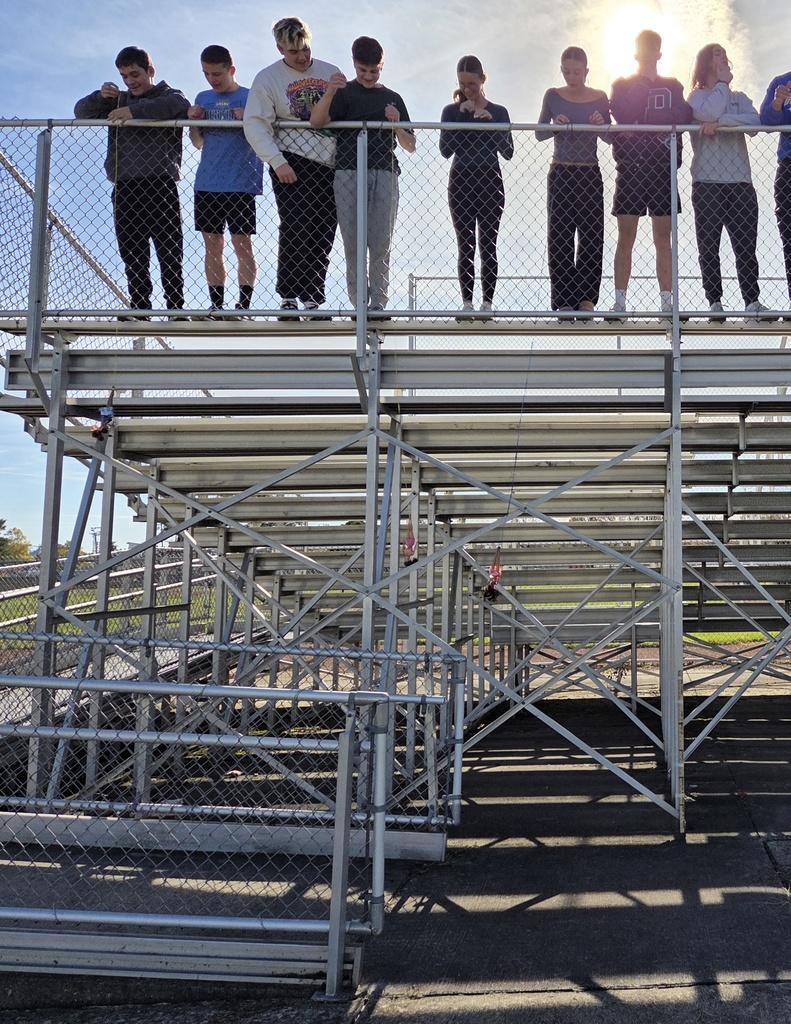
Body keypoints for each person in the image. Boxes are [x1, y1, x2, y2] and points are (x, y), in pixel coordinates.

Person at [74, 46, 190, 319]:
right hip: (125, 184)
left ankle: (176, 307)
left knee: (169, 249)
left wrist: (133, 112)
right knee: (132, 251)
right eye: (124, 76)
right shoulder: (116, 101)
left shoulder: (168, 94)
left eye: (135, 74)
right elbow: (81, 112)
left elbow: (178, 106)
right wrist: (99, 97)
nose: (130, 81)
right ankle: (140, 306)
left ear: (150, 71)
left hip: (160, 183)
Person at [310, 36, 415, 318]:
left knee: (380, 241)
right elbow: (317, 122)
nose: (368, 76)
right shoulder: (344, 93)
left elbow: (410, 145)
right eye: (363, 70)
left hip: (385, 171)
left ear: (382, 67)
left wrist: (397, 125)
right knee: (353, 241)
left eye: (375, 71)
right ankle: (359, 304)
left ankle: (378, 303)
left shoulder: (393, 98)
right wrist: (331, 92)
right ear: (354, 64)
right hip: (347, 171)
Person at [244, 17, 340, 320]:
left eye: (306, 49)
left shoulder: (330, 72)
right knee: (296, 225)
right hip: (292, 160)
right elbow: (256, 124)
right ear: (280, 49)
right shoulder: (268, 78)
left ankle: (313, 297)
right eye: (294, 51)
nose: (302, 57)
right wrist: (277, 161)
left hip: (330, 162)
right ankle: (288, 296)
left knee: (324, 229)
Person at [609, 30, 693, 320]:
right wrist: (643, 83)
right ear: (635, 52)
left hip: (662, 169)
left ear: (660, 52)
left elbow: (684, 115)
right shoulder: (622, 84)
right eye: (642, 49)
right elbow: (622, 112)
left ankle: (667, 304)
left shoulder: (673, 85)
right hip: (631, 168)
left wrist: (645, 120)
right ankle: (620, 303)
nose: (647, 54)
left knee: (663, 238)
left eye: (652, 49)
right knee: (626, 237)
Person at [689, 45, 774, 323]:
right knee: (709, 245)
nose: (723, 56)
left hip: (740, 181)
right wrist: (722, 84)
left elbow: (755, 123)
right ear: (706, 63)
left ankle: (752, 303)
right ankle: (715, 303)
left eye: (725, 52)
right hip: (707, 182)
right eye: (716, 53)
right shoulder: (697, 96)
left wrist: (723, 121)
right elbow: (704, 113)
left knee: (745, 245)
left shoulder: (740, 98)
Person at [188, 45, 264, 319]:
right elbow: (197, 143)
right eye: (207, 74)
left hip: (241, 182)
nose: (212, 79)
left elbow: (264, 137)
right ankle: (216, 307)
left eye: (217, 73)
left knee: (242, 244)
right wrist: (193, 121)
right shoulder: (202, 98)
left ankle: (243, 307)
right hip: (207, 182)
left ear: (232, 70)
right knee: (213, 245)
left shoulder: (250, 97)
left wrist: (248, 121)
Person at [536, 47, 610, 319]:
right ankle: (564, 300)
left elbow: (611, 137)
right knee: (560, 236)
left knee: (592, 236)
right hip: (561, 172)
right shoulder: (553, 95)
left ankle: (587, 299)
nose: (571, 76)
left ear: (587, 71)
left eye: (576, 72)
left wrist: (600, 123)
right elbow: (539, 133)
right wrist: (555, 124)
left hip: (589, 172)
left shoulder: (600, 97)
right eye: (566, 71)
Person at [439, 56, 513, 319]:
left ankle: (487, 304)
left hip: (490, 182)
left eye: (472, 83)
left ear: (483, 79)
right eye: (463, 84)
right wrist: (463, 119)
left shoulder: (499, 111)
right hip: (461, 182)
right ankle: (467, 303)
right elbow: (445, 150)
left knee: (488, 243)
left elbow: (508, 151)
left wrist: (490, 123)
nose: (468, 88)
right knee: (465, 245)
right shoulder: (451, 111)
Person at [760, 65, 791, 316]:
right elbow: (767, 122)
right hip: (788, 164)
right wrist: (779, 102)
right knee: (789, 237)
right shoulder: (781, 81)